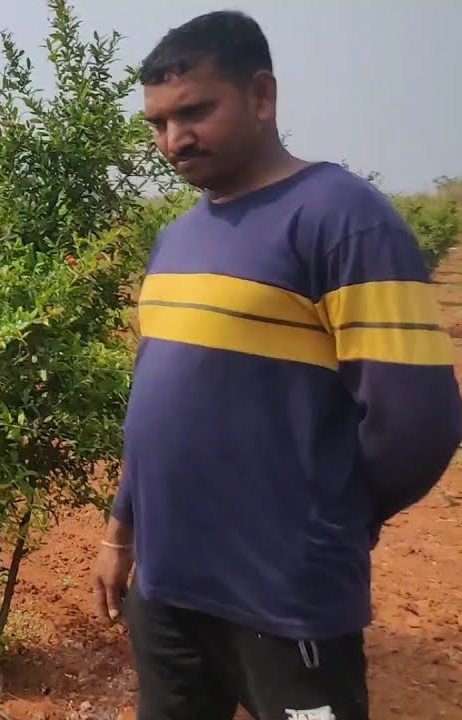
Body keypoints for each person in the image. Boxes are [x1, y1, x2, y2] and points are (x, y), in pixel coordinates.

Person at [91, 9, 462, 720]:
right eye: (159, 124)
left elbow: (418, 423)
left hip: (285, 601)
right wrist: (121, 534)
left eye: (195, 112)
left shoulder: (344, 219)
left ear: (262, 97)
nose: (174, 139)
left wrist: (328, 519)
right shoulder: (176, 239)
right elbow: (154, 410)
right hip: (168, 594)